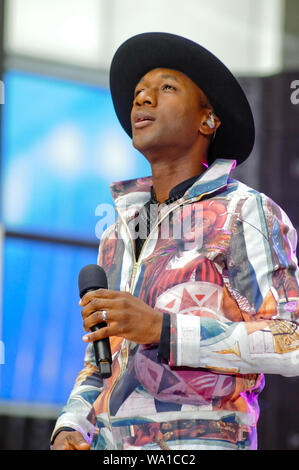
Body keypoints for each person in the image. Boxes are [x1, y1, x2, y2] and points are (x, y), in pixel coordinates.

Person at [51, 32, 299, 451]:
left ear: (208, 120)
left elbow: (290, 340)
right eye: (138, 93)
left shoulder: (245, 212)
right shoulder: (116, 235)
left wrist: (163, 329)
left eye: (166, 88)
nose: (143, 100)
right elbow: (101, 362)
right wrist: (72, 424)